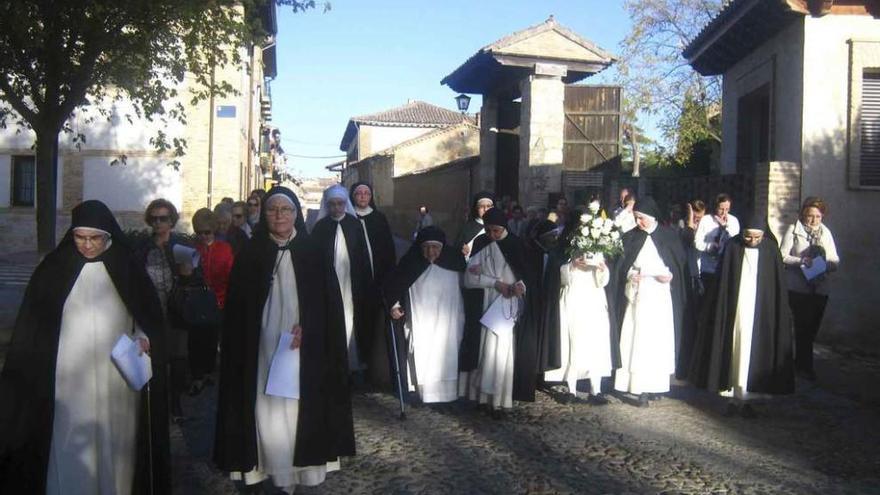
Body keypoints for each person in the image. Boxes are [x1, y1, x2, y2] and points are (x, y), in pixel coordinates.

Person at [0, 200, 170, 494]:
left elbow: (147, 315)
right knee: (68, 433)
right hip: (68, 373)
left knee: (115, 436)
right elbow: (36, 322)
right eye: (81, 238)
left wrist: (144, 336)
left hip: (115, 373)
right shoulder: (54, 268)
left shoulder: (127, 266)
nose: (87, 246)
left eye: (95, 238)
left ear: (108, 237)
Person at [214, 186, 354, 492]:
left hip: (303, 348)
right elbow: (237, 312)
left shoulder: (313, 252)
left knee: (298, 407)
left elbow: (328, 306)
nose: (279, 216)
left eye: (286, 210)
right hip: (260, 347)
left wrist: (310, 328)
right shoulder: (251, 255)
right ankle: (267, 466)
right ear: (264, 215)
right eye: (272, 210)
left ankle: (300, 471)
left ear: (296, 214)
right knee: (264, 406)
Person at [703, 214, 794, 417]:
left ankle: (750, 399)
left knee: (754, 352)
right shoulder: (733, 247)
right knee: (736, 349)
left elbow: (776, 285)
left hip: (760, 309)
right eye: (748, 237)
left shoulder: (771, 250)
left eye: (756, 238)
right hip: (737, 308)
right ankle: (734, 397)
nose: (752, 241)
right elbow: (724, 282)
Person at [612, 197, 687, 407]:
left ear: (652, 218)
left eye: (641, 219)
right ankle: (639, 387)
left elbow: (679, 267)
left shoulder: (669, 237)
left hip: (660, 296)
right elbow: (621, 265)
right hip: (638, 294)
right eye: (636, 218)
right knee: (637, 339)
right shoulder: (631, 238)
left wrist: (669, 275)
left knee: (657, 342)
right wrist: (629, 275)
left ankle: (656, 385)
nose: (638, 223)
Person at [462, 207, 533, 417]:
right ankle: (481, 399)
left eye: (496, 231)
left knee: (501, 354)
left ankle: (499, 400)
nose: (492, 235)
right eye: (488, 230)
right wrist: (494, 283)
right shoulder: (481, 242)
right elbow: (468, 278)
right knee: (483, 352)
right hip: (484, 304)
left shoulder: (516, 245)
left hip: (506, 306)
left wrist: (519, 287)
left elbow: (526, 276)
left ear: (504, 228)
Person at [383, 226, 466, 403]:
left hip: (449, 320)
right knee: (423, 353)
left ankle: (449, 395)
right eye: (426, 247)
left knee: (448, 355)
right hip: (421, 320)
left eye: (435, 247)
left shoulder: (455, 262)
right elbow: (395, 286)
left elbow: (468, 286)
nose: (431, 252)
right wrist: (395, 305)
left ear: (443, 247)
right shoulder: (411, 262)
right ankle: (424, 393)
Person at [134, 198, 192, 421]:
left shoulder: (181, 246)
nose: (158, 223)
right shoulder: (143, 248)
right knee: (155, 361)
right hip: (151, 313)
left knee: (177, 363)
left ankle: (176, 405)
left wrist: (186, 276)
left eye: (163, 218)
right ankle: (156, 405)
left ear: (172, 221)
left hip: (176, 312)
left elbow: (194, 280)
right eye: (155, 218)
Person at [544, 232, 616, 405]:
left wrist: (602, 268)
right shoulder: (567, 255)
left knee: (595, 346)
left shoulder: (599, 252)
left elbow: (603, 281)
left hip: (594, 303)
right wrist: (573, 266)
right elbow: (561, 278)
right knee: (572, 345)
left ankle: (595, 390)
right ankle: (571, 389)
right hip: (573, 303)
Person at [311, 184, 373, 377]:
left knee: (351, 322)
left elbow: (363, 256)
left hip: (351, 285)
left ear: (346, 204)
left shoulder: (354, 226)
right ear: (327, 205)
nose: (337, 208)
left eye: (340, 204)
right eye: (333, 204)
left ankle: (353, 364)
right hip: (328, 286)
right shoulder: (320, 228)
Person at [779, 197, 840, 380]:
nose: (813, 220)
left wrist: (822, 265)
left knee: (812, 328)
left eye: (817, 216)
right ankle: (805, 367)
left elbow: (835, 260)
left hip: (820, 288)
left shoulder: (825, 233)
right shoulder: (793, 230)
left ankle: (800, 363)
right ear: (803, 214)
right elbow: (782, 256)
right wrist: (801, 262)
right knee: (801, 326)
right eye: (809, 216)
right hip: (798, 288)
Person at [349, 182, 398, 387]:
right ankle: (354, 368)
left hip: (375, 282)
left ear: (371, 197)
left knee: (373, 325)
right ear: (353, 196)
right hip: (353, 284)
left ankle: (372, 369)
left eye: (366, 193)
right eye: (358, 193)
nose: (362, 196)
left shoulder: (378, 219)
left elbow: (387, 249)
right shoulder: (347, 219)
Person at [189, 208, 234, 396]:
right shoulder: (193, 248)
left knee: (212, 338)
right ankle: (197, 375)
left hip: (218, 301)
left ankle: (208, 371)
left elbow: (230, 274)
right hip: (197, 301)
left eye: (207, 232)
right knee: (196, 340)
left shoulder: (224, 249)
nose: (203, 236)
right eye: (199, 233)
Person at [694, 193, 740, 292]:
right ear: (715, 207)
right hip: (708, 268)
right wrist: (709, 246)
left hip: (725, 268)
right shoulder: (706, 220)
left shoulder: (733, 221)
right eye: (721, 209)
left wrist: (725, 228)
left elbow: (735, 242)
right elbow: (697, 242)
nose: (724, 212)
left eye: (727, 209)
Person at [456, 191, 495, 259]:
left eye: (488, 206)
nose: (485, 209)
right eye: (482, 206)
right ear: (476, 208)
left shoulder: (499, 227)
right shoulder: (467, 228)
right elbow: (457, 247)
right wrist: (461, 248)